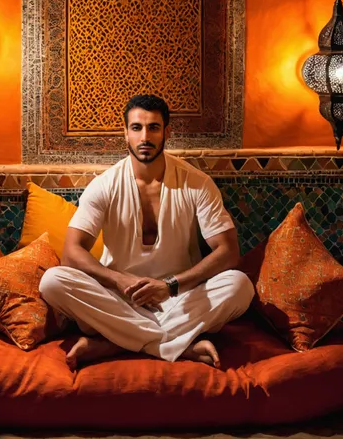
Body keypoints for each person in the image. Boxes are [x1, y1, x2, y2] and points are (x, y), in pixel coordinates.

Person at [39, 94, 254, 370]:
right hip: (119, 300)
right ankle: (176, 344)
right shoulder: (104, 185)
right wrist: (118, 281)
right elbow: (72, 251)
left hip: (180, 298)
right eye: (137, 128)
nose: (145, 137)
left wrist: (170, 286)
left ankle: (115, 343)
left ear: (167, 132)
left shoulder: (197, 183)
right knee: (52, 281)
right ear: (125, 133)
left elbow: (228, 252)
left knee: (240, 286)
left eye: (153, 127)